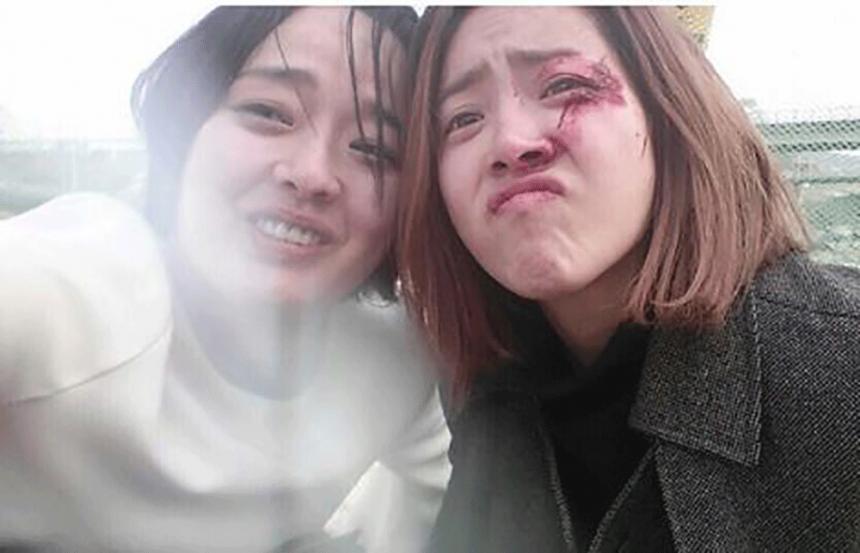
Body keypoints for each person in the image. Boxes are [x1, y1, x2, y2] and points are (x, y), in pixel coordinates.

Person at [398, 6, 859, 553]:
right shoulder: (479, 384)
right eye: (463, 118)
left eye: (563, 85)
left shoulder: (840, 368)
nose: (510, 143)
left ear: (669, 108)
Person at [0, 6, 450, 552]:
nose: (311, 175)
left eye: (374, 149)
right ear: (185, 126)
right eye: (268, 112)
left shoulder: (401, 360)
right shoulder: (63, 292)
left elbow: (458, 507)